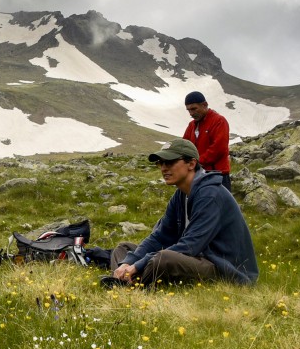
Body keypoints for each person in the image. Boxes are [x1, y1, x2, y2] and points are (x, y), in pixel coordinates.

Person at [106, 138, 258, 287]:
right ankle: (123, 278)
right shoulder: (181, 195)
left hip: (222, 267)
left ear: (191, 164)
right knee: (123, 249)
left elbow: (190, 246)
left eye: (170, 162)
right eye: (161, 163)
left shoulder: (210, 195)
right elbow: (160, 236)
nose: (164, 168)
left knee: (162, 258)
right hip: (196, 258)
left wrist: (138, 265)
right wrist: (128, 262)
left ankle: (131, 284)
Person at [183, 91, 232, 191]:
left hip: (217, 175)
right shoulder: (192, 125)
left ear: (204, 105)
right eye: (189, 110)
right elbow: (184, 145)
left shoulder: (219, 121)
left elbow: (219, 149)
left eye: (194, 109)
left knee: (220, 206)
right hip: (197, 174)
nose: (191, 113)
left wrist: (196, 163)